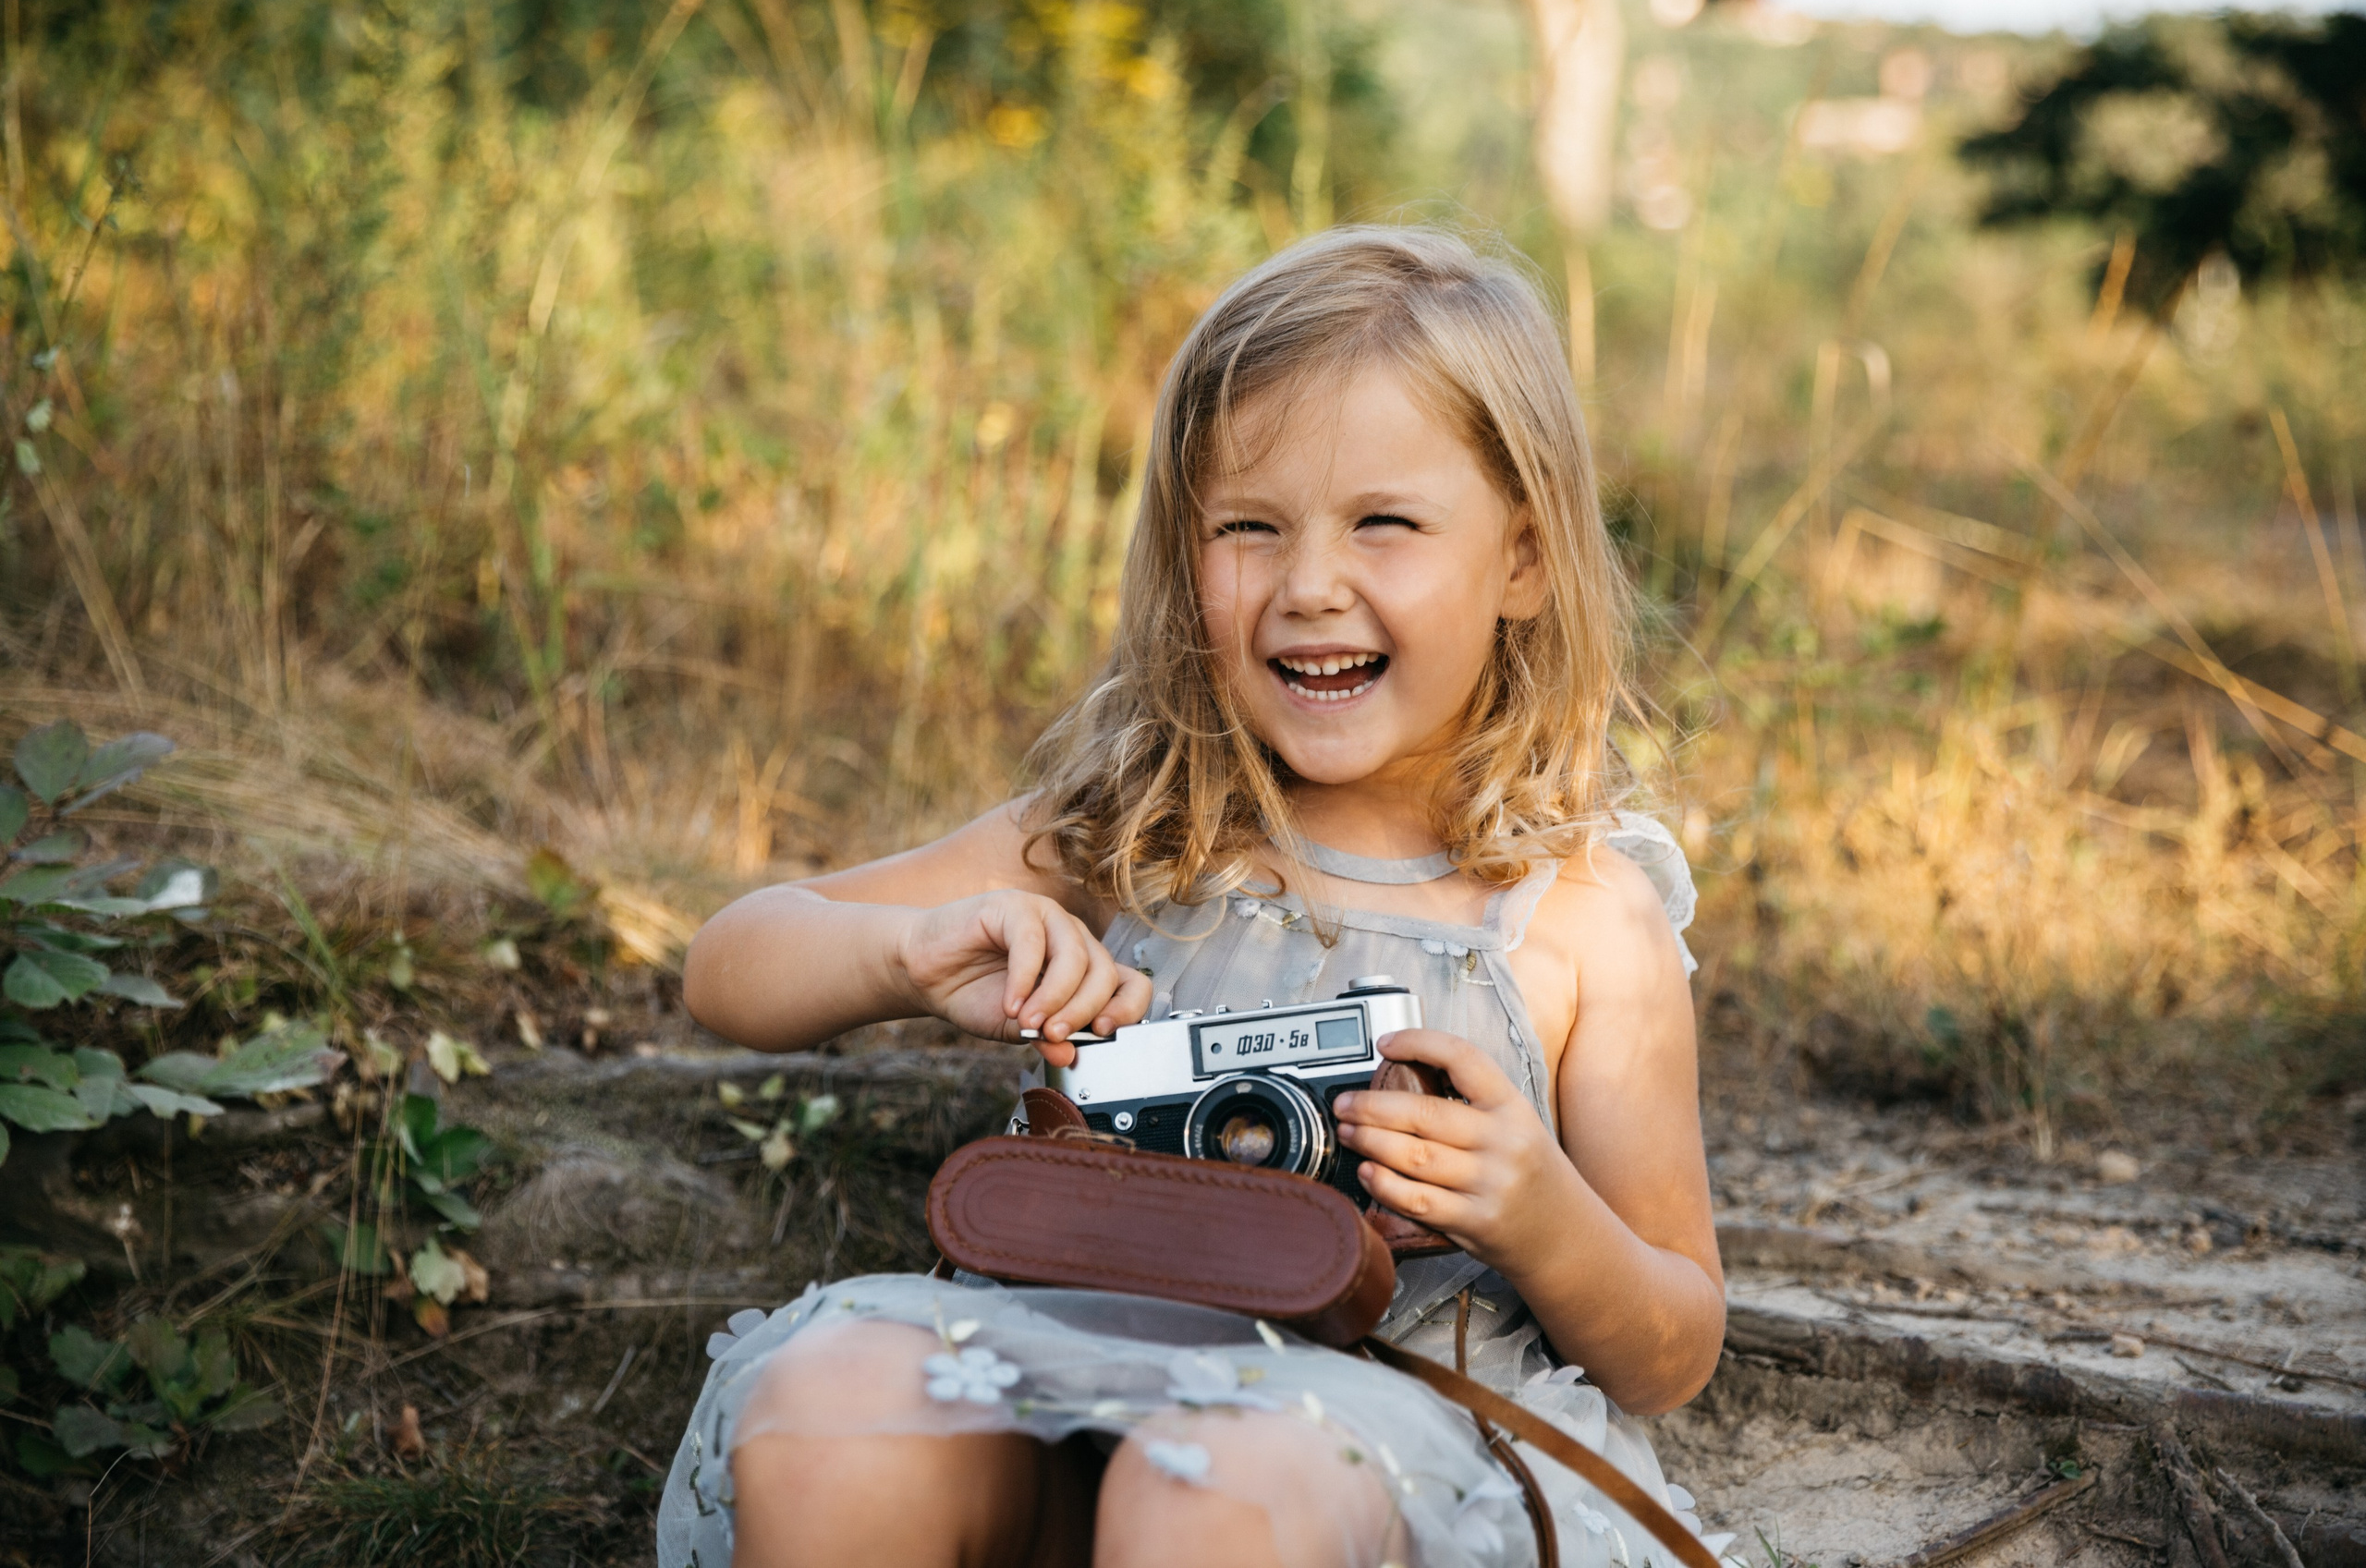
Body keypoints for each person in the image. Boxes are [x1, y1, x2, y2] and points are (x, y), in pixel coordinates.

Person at [658, 225, 1736, 1568]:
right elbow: (731, 964)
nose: (1309, 587)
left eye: (1384, 524)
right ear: (1186, 549)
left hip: (1373, 1436)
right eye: (1250, 528)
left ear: (1521, 556)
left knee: (1208, 1484)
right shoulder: (1135, 830)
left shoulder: (1572, 916)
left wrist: (1537, 1211)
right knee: (833, 1404)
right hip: (1058, 1360)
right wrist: (905, 955)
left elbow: (1672, 1348)